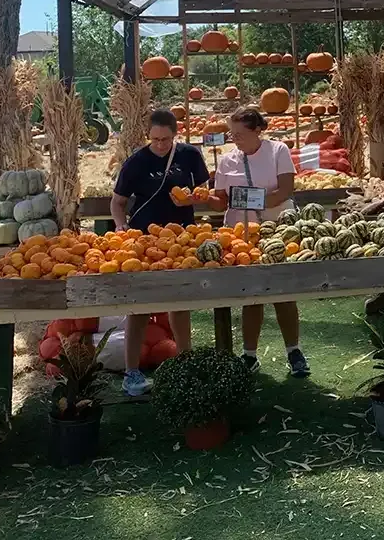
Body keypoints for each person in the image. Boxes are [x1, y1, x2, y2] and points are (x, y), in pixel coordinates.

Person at [110, 108, 211, 396]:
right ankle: (132, 372)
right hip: (145, 241)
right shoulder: (136, 162)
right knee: (139, 306)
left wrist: (192, 198)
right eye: (155, 140)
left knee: (180, 302)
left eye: (166, 140)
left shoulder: (189, 155)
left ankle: (185, 362)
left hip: (182, 237)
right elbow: (118, 202)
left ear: (175, 135)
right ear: (148, 136)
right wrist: (120, 227)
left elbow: (205, 190)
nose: (160, 145)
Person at [215, 106, 310, 378]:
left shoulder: (278, 150)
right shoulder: (227, 160)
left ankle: (294, 351)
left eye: (240, 134)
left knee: (283, 291)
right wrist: (197, 197)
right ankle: (249, 355)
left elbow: (285, 189)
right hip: (240, 233)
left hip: (278, 229)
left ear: (258, 131)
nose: (235, 139)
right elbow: (221, 198)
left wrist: (253, 201)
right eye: (232, 134)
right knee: (251, 294)